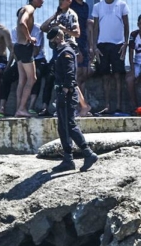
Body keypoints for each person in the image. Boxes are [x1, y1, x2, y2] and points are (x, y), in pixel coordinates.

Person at [46, 27, 99, 173]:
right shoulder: (61, 52)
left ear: (58, 38)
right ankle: (68, 159)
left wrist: (65, 91)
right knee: (62, 126)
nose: (51, 43)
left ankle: (88, 153)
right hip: (62, 92)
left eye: (52, 39)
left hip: (67, 94)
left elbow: (70, 76)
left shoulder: (66, 52)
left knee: (69, 124)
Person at [0, 19, 49, 118]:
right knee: (7, 76)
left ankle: (30, 107)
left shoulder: (37, 29)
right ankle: (2, 107)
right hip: (21, 59)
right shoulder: (15, 30)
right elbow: (15, 50)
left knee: (35, 75)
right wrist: (10, 66)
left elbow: (36, 50)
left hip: (37, 59)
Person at [41, 0, 91, 117]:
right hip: (58, 49)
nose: (60, 2)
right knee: (62, 79)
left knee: (69, 79)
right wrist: (54, 16)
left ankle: (82, 106)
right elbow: (43, 28)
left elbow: (77, 33)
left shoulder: (72, 14)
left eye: (63, 1)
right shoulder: (58, 15)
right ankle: (76, 106)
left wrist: (62, 28)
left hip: (68, 48)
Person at [92, 0, 130, 115]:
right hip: (102, 44)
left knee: (118, 75)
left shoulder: (122, 4)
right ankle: (107, 106)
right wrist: (94, 46)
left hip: (118, 44)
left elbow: (126, 25)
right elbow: (95, 27)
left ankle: (118, 106)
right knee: (105, 76)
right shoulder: (97, 6)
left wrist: (125, 43)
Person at [13, 0, 45, 118]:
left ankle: (19, 109)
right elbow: (22, 23)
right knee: (32, 78)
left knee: (22, 80)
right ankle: (22, 108)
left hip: (18, 46)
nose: (43, 1)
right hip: (25, 47)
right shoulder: (29, 8)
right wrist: (30, 38)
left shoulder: (23, 8)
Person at [71, 0, 94, 116]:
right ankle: (76, 106)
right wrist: (77, 49)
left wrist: (90, 46)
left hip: (84, 43)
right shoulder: (71, 5)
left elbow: (86, 26)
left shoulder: (85, 6)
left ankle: (82, 107)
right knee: (76, 76)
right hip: (76, 44)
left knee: (83, 75)